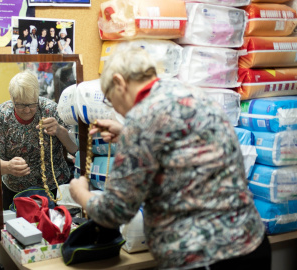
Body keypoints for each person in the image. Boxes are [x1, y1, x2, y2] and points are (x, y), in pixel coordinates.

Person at [69, 43, 270, 270]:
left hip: (206, 257)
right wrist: (126, 134)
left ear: (119, 83)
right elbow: (183, 150)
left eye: (109, 99)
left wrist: (82, 194)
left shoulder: (142, 119)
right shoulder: (191, 94)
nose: (113, 107)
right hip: (252, 243)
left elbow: (115, 211)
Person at [0, 70, 78, 210]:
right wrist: (7, 167)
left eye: (32, 104)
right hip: (16, 191)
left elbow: (75, 149)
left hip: (54, 189)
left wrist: (59, 131)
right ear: (12, 99)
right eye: (21, 105)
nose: (27, 110)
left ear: (37, 97)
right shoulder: (2, 116)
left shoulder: (50, 110)